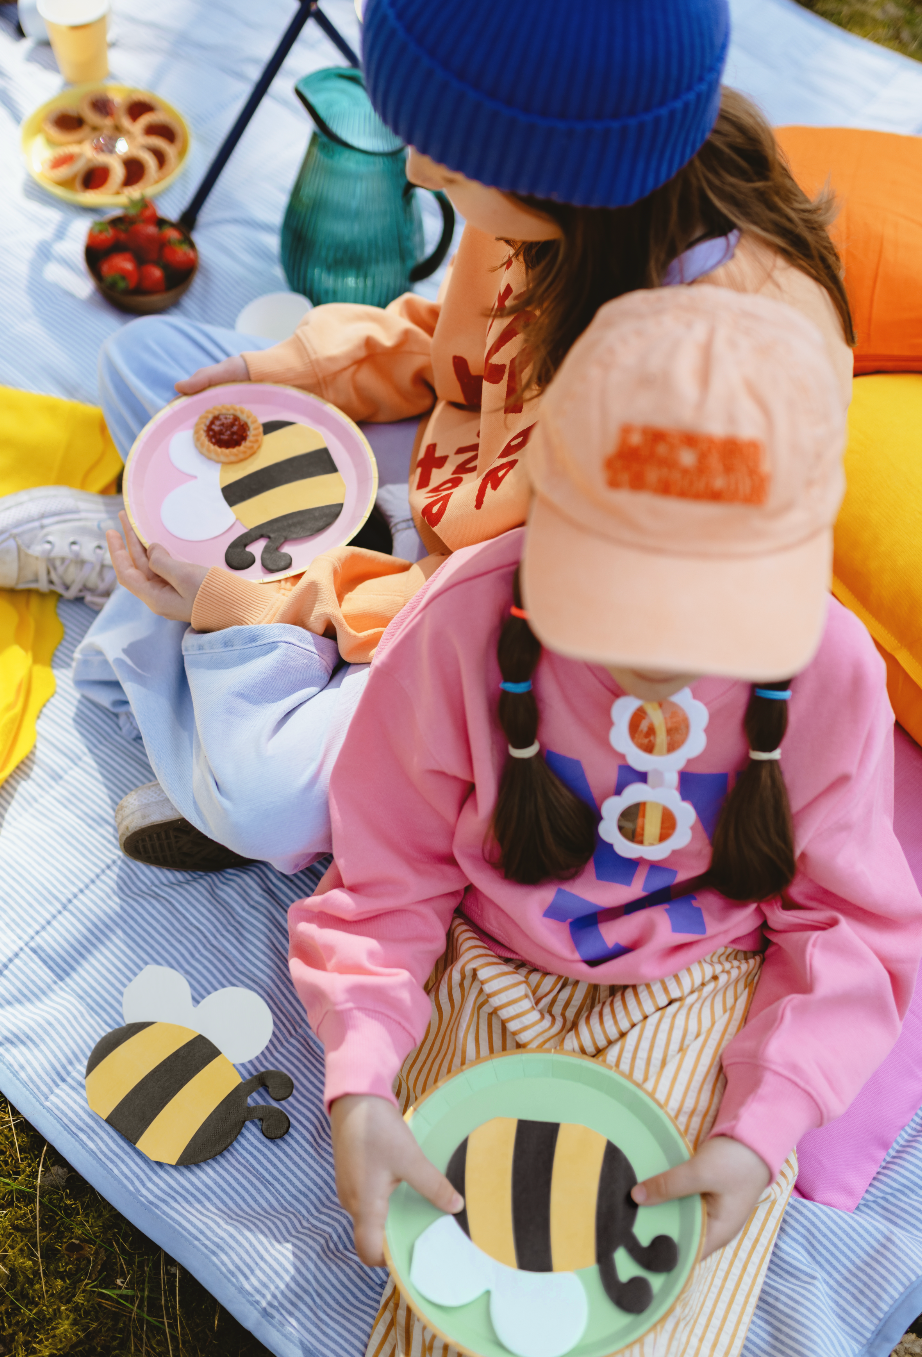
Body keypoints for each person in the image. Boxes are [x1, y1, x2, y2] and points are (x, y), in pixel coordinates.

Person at [0, 0, 854, 873]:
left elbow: (506, 641)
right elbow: (443, 339)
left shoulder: (691, 415)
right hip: (443, 498)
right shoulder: (606, 187)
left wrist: (269, 605)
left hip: (489, 626)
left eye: (456, 168)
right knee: (155, 366)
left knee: (269, 801)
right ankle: (186, 596)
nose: (418, 173)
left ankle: (180, 640)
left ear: (562, 178)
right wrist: (292, 372)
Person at [288, 285, 921, 1357]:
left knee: (642, 1312)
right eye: (621, 597)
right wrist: (361, 1076)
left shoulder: (830, 669)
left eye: (713, 608)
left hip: (701, 982)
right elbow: (385, 880)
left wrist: (759, 1130)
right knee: (472, 1291)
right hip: (489, 957)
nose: (664, 647)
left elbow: (850, 929)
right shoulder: (461, 628)